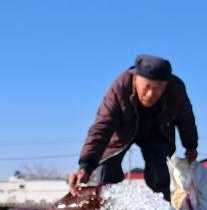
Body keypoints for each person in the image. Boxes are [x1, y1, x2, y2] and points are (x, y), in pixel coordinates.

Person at [67, 55, 198, 201]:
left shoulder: (176, 89)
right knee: (106, 172)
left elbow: (186, 119)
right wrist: (86, 165)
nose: (150, 94)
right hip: (122, 131)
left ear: (166, 85)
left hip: (157, 132)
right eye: (146, 86)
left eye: (157, 88)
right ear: (135, 79)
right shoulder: (120, 87)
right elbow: (101, 127)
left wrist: (191, 146)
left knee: (158, 172)